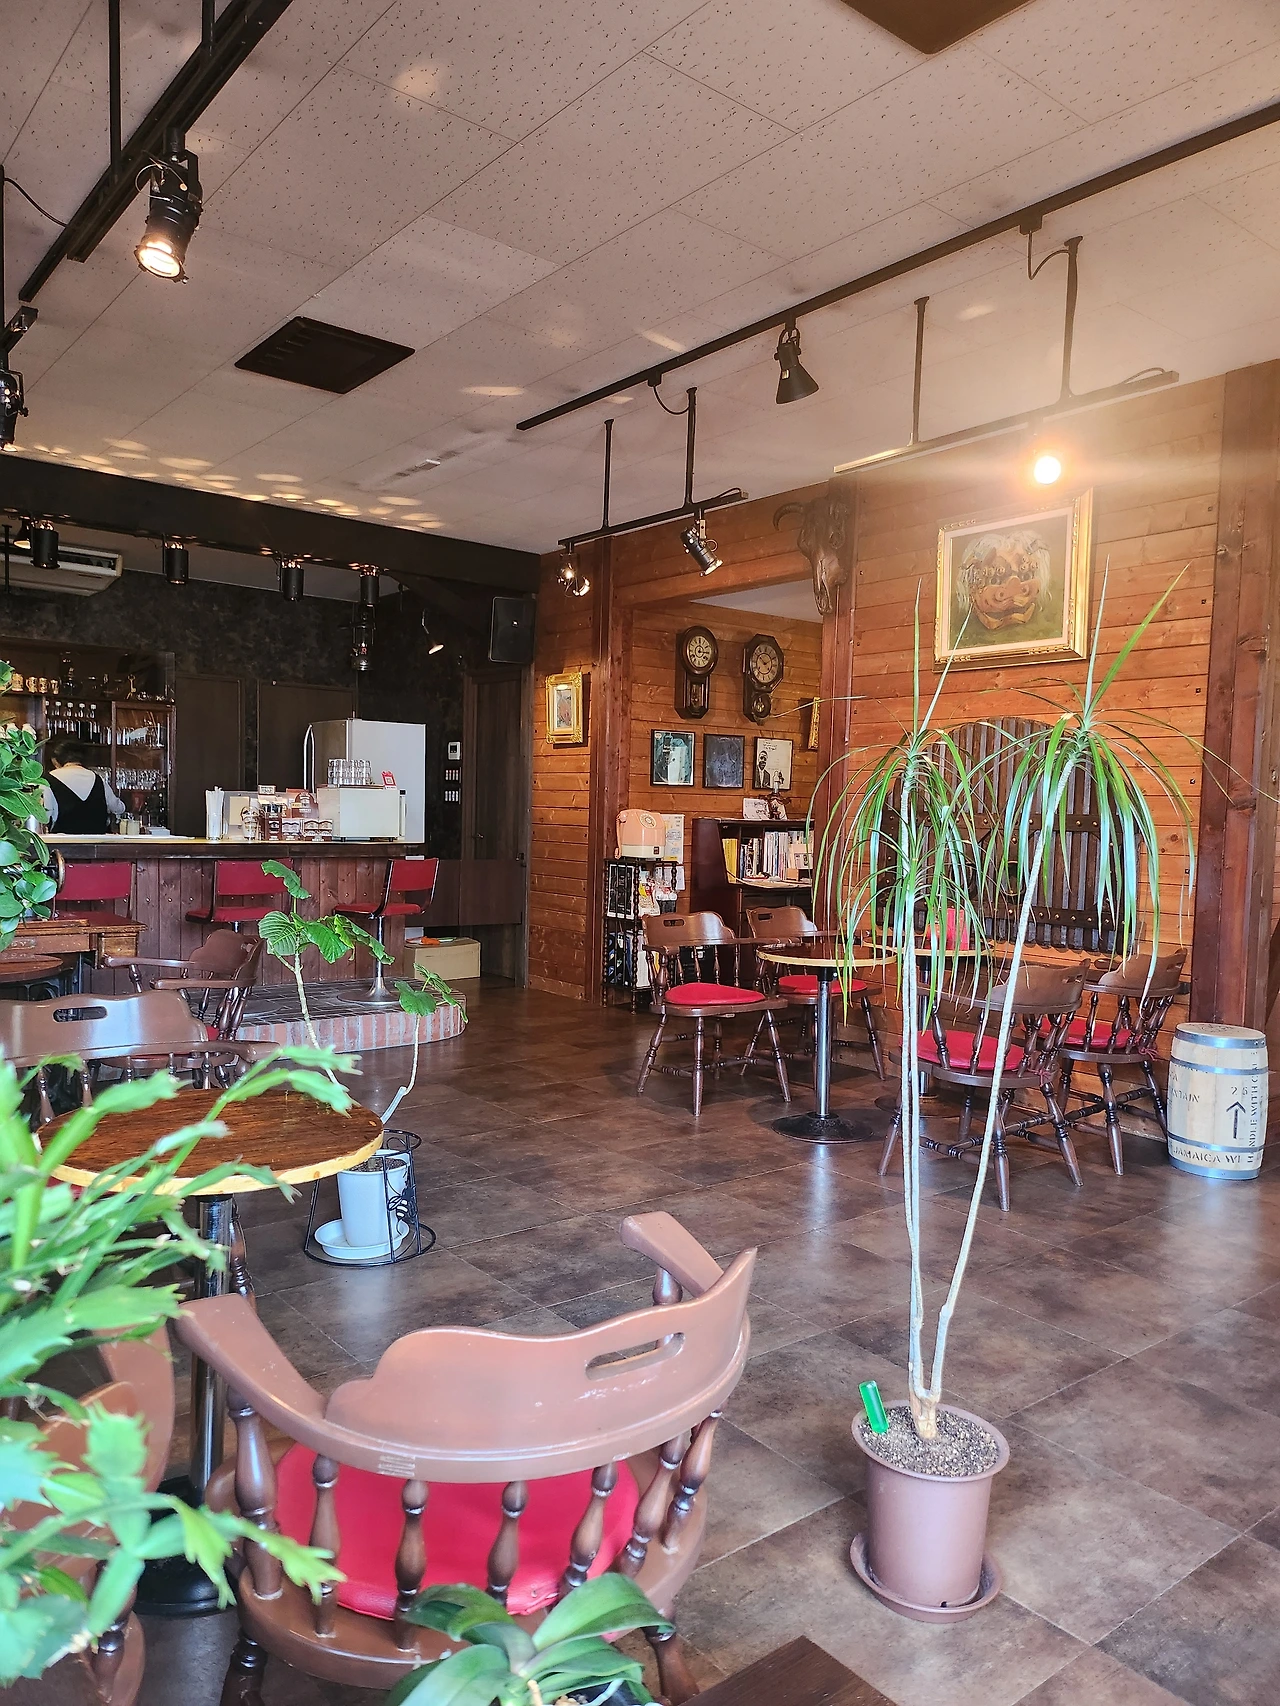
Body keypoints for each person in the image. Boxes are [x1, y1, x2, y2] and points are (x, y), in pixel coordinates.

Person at [42, 737, 126, 834]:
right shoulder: (98, 779)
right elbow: (119, 808)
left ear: (55, 761)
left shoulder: (48, 780)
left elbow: (44, 816)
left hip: (63, 841)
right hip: (98, 841)